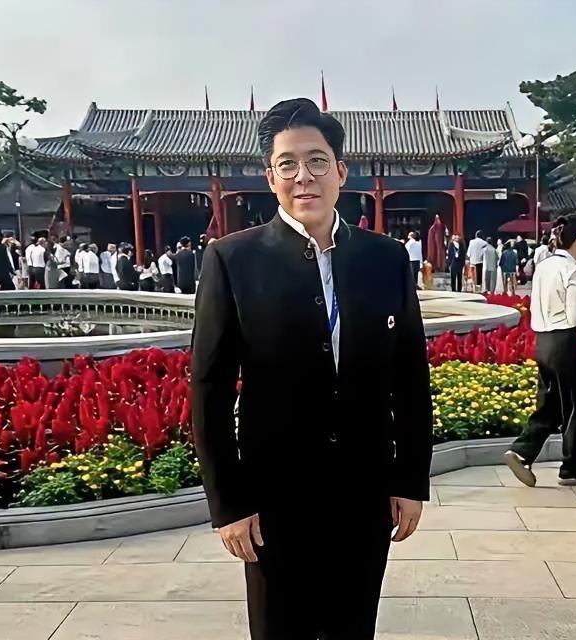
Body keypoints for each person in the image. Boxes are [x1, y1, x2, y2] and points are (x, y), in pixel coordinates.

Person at [191, 98, 432, 640]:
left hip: (365, 490)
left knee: (353, 628)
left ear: (341, 172)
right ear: (270, 177)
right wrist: (228, 503)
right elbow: (209, 388)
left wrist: (410, 479)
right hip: (273, 496)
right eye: (288, 164)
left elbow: (410, 378)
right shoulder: (233, 259)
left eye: (317, 161)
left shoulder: (385, 258)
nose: (304, 176)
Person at [504, 214, 576, 488]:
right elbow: (575, 316)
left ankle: (522, 451)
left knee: (551, 404)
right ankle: (572, 468)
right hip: (566, 342)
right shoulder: (574, 270)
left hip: (543, 341)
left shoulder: (544, 266)